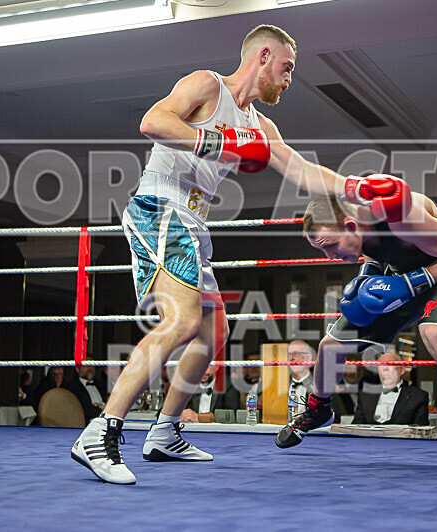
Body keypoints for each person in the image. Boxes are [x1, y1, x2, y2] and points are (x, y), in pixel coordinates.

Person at [71, 24, 355, 484]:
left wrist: (354, 187)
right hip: (161, 204)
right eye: (286, 69)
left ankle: (164, 432)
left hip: (194, 217)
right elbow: (153, 122)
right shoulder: (207, 85)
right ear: (263, 56)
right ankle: (101, 430)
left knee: (213, 330)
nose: (288, 80)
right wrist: (217, 141)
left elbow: (301, 171)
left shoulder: (262, 126)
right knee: (181, 323)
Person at [274, 178, 437, 478]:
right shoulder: (359, 227)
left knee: (434, 333)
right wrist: (369, 275)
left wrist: (410, 283)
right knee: (331, 345)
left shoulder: (405, 218)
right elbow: (375, 251)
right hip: (398, 275)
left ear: (352, 226)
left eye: (331, 246)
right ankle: (319, 408)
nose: (330, 257)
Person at [351, 350, 429, 425]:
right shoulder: (366, 394)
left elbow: (420, 433)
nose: (385, 368)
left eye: (390, 364)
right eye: (381, 365)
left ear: (402, 370)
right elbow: (356, 427)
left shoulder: (418, 397)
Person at [65, 359, 108, 426]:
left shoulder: (101, 384)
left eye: (92, 365)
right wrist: (103, 411)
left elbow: (109, 400)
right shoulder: (71, 387)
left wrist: (103, 405)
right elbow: (81, 410)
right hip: (85, 426)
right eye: (86, 365)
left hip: (106, 423)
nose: (90, 368)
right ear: (77, 369)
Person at [288, 340, 316, 416]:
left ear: (308, 357)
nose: (291, 358)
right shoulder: (280, 385)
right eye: (289, 354)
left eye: (296, 354)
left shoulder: (320, 385)